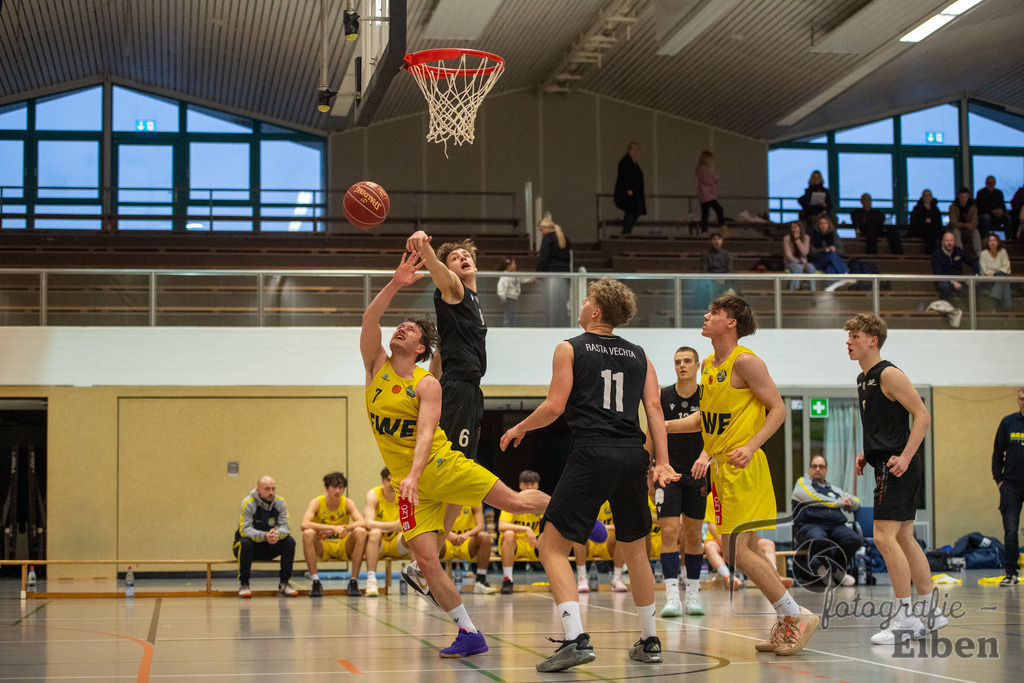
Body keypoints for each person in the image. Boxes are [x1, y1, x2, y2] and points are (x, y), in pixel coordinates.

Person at [360, 252, 549, 659]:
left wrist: (411, 475)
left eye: (410, 328)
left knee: (516, 502)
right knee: (426, 561)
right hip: (414, 485)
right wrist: (395, 282)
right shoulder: (376, 365)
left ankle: (579, 515)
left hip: (440, 468)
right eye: (401, 325)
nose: (401, 327)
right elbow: (369, 321)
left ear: (423, 347)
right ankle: (470, 633)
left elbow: (428, 432)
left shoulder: (428, 384)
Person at [500, 277, 679, 672]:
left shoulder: (569, 347)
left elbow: (554, 406)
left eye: (586, 300)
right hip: (633, 455)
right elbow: (655, 413)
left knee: (551, 547)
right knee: (635, 550)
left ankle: (574, 638)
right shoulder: (640, 355)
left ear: (596, 310)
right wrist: (661, 461)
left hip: (592, 452)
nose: (581, 305)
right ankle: (650, 641)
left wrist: (520, 428)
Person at [667, 294, 819, 657]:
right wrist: (664, 426)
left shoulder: (746, 362)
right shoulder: (708, 365)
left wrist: (751, 446)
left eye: (714, 313)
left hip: (743, 467)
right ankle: (789, 620)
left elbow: (778, 409)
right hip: (721, 470)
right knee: (744, 550)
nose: (705, 316)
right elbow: (705, 420)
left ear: (731, 323)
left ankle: (795, 616)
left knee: (737, 550)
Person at [846, 313, 948, 644]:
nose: (848, 341)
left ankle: (905, 618)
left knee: (883, 538)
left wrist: (903, 457)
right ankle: (930, 612)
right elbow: (883, 425)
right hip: (886, 462)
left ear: (873, 340)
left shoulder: (888, 373)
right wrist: (867, 453)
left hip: (899, 465)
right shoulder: (863, 379)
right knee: (904, 537)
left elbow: (922, 415)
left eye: (855, 336)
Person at [405, 230, 486, 464]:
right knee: (453, 463)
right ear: (448, 269)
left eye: (466, 255)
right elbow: (436, 270)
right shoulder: (453, 289)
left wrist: (430, 392)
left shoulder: (472, 301)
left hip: (469, 391)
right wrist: (423, 243)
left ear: (475, 265)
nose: (463, 258)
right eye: (455, 258)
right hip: (458, 388)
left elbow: (440, 351)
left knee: (464, 464)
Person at [646, 346, 709, 617]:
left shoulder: (708, 395)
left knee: (693, 534)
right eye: (677, 362)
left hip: (698, 473)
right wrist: (649, 468)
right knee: (669, 532)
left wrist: (706, 457)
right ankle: (672, 597)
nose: (681, 365)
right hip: (667, 473)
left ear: (697, 366)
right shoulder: (663, 396)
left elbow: (715, 431)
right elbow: (652, 429)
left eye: (687, 361)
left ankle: (693, 595)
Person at [791, 456, 861, 587]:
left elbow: (856, 502)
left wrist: (850, 502)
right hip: (809, 525)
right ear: (809, 469)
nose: (817, 469)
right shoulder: (802, 483)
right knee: (819, 538)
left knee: (853, 538)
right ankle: (836, 572)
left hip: (834, 525)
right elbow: (815, 499)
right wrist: (839, 502)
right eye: (814, 466)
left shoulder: (834, 489)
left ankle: (830, 570)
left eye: (821, 466)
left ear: (826, 470)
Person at [301, 471, 368, 598]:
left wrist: (343, 528)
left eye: (341, 487)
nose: (337, 491)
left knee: (361, 531)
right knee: (308, 533)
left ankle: (354, 581)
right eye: (334, 487)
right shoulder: (317, 502)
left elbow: (362, 522)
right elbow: (304, 524)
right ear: (327, 488)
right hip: (323, 546)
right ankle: (315, 581)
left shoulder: (347, 502)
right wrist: (332, 527)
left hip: (343, 545)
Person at [233, 475, 297, 598]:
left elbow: (286, 527)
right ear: (258, 491)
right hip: (249, 548)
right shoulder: (248, 503)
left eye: (273, 489)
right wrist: (264, 536)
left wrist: (276, 534)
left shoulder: (280, 502)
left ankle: (284, 584)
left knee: (289, 541)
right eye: (267, 489)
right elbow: (244, 530)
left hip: (270, 545)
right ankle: (244, 584)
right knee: (244, 543)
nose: (271, 492)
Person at [991, 388, 1024, 586]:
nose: (1023, 402)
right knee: (1011, 530)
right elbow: (997, 453)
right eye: (1021, 399)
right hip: (1010, 485)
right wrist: (999, 481)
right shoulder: (1008, 422)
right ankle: (1011, 573)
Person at [363, 467, 410, 597]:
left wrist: (392, 527)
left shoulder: (405, 494)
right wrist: (394, 526)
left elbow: (409, 524)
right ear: (383, 480)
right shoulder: (373, 494)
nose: (391, 484)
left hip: (398, 543)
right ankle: (371, 580)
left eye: (394, 481)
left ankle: (418, 579)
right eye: (388, 480)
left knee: (412, 534)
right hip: (379, 544)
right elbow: (368, 523)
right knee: (374, 533)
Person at [497, 470, 545, 594]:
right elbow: (502, 525)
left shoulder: (541, 503)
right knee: (508, 534)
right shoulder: (512, 501)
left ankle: (556, 580)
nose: (529, 487)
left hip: (533, 545)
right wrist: (526, 529)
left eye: (532, 484)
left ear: (537, 486)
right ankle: (507, 580)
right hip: (515, 545)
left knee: (549, 536)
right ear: (520, 485)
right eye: (526, 483)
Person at [441, 503, 499, 594]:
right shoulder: (442, 497)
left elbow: (480, 526)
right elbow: (435, 523)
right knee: (431, 537)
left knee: (485, 536)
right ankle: (432, 583)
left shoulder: (473, 500)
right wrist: (449, 534)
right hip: (447, 541)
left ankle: (481, 581)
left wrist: (466, 535)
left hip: (467, 543)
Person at [536, 212, 572, 327]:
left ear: (546, 228)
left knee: (551, 305)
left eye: (541, 230)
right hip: (565, 276)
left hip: (552, 277)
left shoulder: (548, 238)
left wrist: (539, 274)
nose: (541, 233)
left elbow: (544, 258)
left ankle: (551, 326)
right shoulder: (564, 238)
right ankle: (563, 326)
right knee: (562, 304)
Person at [931, 230, 979, 302]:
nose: (949, 243)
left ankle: (974, 310)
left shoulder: (958, 251)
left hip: (959, 279)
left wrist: (975, 276)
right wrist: (952, 282)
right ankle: (947, 308)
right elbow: (938, 274)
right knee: (944, 286)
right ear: (942, 242)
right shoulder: (936, 255)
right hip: (944, 281)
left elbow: (973, 262)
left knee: (976, 284)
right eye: (947, 241)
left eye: (951, 241)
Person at [809, 215, 853, 291]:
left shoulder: (834, 235)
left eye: (825, 223)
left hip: (831, 260)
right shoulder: (813, 236)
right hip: (818, 262)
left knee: (831, 265)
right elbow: (812, 252)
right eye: (821, 223)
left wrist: (833, 249)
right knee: (830, 254)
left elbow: (841, 251)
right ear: (818, 225)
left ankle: (831, 287)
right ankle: (844, 274)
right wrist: (824, 250)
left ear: (828, 224)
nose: (823, 225)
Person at [614, 141, 646, 235]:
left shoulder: (634, 163)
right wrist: (628, 189)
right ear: (629, 150)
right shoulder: (625, 162)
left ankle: (627, 231)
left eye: (637, 149)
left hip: (635, 193)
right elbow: (623, 176)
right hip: (628, 193)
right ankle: (626, 232)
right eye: (633, 149)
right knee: (631, 211)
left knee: (635, 211)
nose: (635, 151)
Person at [698, 231, 735, 306]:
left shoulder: (727, 254)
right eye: (714, 239)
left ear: (722, 240)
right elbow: (704, 271)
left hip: (725, 281)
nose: (717, 241)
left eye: (719, 239)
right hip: (710, 281)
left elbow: (729, 270)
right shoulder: (706, 254)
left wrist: (723, 278)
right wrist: (715, 279)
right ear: (711, 241)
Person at [979, 233, 1013, 311]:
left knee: (1001, 277)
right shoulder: (983, 254)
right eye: (990, 241)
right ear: (987, 243)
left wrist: (995, 273)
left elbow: (1007, 267)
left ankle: (995, 301)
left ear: (998, 242)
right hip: (988, 280)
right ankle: (1008, 307)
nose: (992, 242)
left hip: (999, 278)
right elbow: (985, 271)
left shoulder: (1003, 252)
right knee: (1003, 279)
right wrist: (997, 272)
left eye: (994, 240)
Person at [782, 221, 817, 291]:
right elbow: (788, 255)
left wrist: (797, 240)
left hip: (804, 263)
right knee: (798, 267)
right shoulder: (786, 239)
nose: (793, 229)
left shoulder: (806, 238)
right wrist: (798, 262)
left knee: (811, 267)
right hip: (790, 263)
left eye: (795, 227)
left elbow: (805, 253)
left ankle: (812, 290)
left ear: (800, 228)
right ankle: (794, 289)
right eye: (792, 227)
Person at [696, 150, 725, 233]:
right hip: (708, 196)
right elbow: (706, 181)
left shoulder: (701, 169)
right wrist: (715, 179)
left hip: (704, 196)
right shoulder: (704, 169)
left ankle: (704, 231)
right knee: (719, 209)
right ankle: (722, 227)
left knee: (705, 214)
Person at [909, 189, 944, 255]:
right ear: (922, 197)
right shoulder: (917, 208)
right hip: (921, 229)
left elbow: (939, 222)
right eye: (925, 195)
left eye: (929, 195)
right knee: (929, 232)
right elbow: (913, 221)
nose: (927, 197)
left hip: (934, 230)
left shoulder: (935, 209)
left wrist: (932, 222)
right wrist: (924, 221)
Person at [496, 257, 529, 327]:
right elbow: (501, 286)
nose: (515, 265)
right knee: (508, 315)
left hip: (514, 298)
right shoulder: (505, 276)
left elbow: (523, 278)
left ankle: (511, 327)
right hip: (508, 298)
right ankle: (506, 327)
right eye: (514, 264)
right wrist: (502, 296)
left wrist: (531, 279)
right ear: (508, 266)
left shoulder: (515, 274)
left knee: (512, 315)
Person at [948, 187, 981, 256]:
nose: (963, 199)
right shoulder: (953, 207)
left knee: (976, 231)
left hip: (968, 230)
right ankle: (960, 254)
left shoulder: (973, 207)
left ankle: (979, 254)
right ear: (959, 196)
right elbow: (953, 222)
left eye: (965, 197)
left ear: (968, 196)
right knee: (955, 231)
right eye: (961, 197)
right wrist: (965, 225)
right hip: (957, 229)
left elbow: (975, 221)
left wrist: (971, 225)